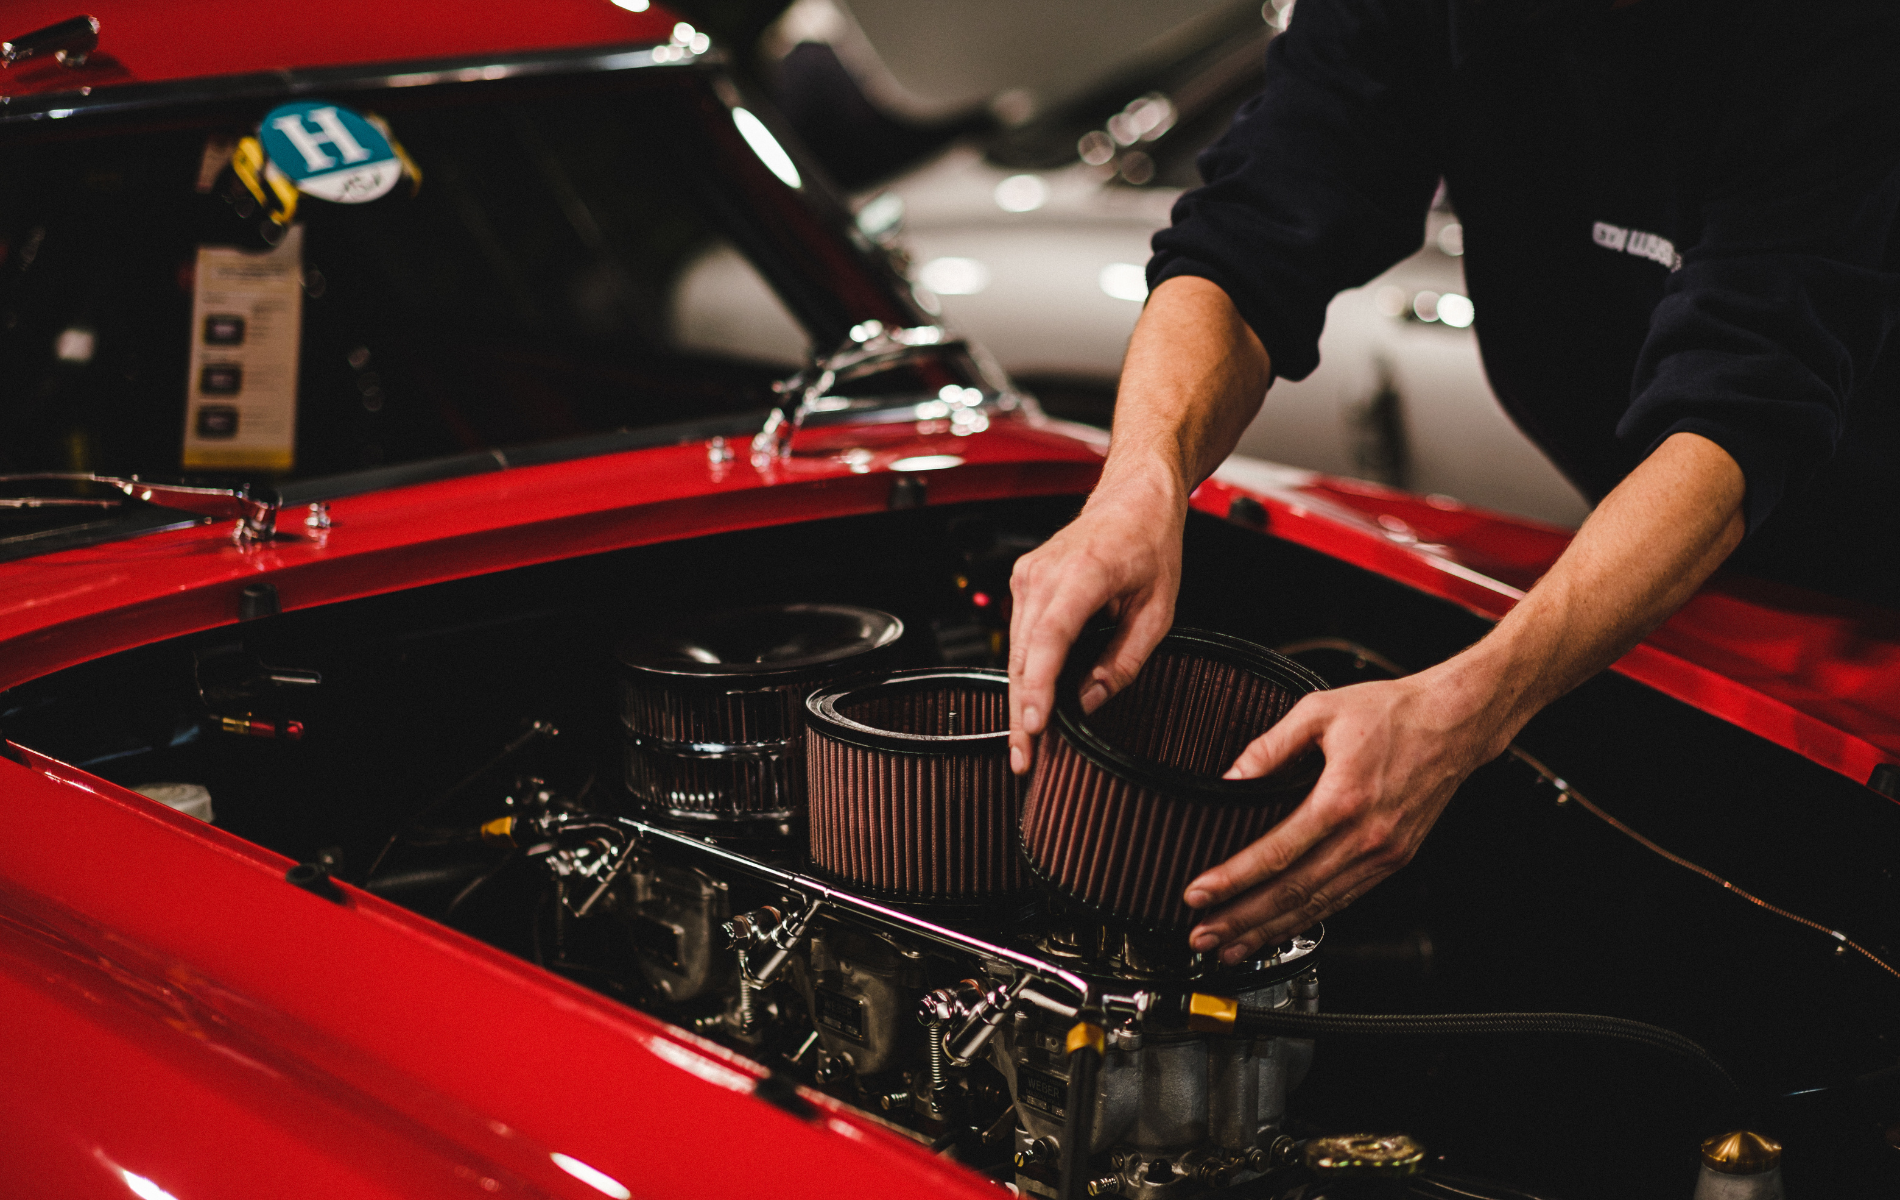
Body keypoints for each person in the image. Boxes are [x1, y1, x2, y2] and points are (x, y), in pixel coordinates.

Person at [1005, 0, 1900, 966]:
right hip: (1690, 551)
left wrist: (1467, 710)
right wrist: (1138, 483)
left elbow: (1744, 400)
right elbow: (1249, 233)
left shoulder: (1832, 32)